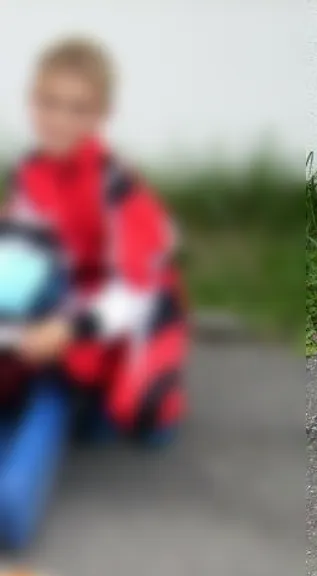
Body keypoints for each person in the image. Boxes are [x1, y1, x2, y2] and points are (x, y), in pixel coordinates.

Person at [1, 36, 186, 444]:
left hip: (127, 308)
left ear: (101, 114)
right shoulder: (31, 174)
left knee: (140, 420)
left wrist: (67, 329)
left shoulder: (117, 185)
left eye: (77, 108)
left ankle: (105, 397)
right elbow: (19, 256)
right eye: (48, 103)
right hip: (68, 296)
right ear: (33, 102)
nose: (59, 119)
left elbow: (138, 288)